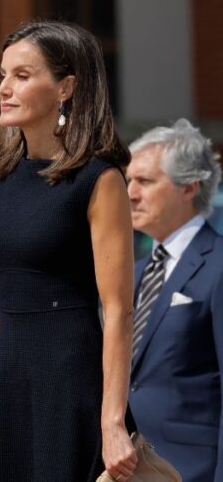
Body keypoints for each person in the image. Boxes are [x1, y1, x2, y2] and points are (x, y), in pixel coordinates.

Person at [0, 21, 137, 480]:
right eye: (4, 76)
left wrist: (112, 422)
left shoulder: (99, 179)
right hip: (9, 379)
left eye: (22, 76)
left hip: (70, 381)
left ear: (66, 87)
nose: (4, 88)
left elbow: (119, 309)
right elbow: (12, 289)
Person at [126, 119, 223, 481]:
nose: (131, 193)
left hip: (195, 468)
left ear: (189, 187)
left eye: (146, 181)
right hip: (134, 467)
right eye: (129, 180)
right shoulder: (135, 272)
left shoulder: (218, 265)